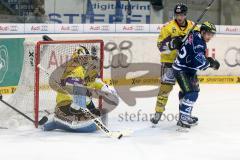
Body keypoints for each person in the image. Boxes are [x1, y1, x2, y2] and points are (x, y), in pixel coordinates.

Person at [41, 46, 118, 132]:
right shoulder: (74, 68)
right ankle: (58, 121)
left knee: (101, 111)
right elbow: (72, 80)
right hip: (67, 104)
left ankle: (54, 123)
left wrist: (105, 87)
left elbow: (95, 82)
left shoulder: (86, 70)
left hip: (79, 105)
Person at [151, 3, 196, 124]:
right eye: (177, 14)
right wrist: (171, 44)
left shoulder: (193, 26)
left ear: (185, 14)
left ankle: (184, 115)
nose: (179, 17)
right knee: (165, 88)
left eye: (181, 14)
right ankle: (158, 112)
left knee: (187, 90)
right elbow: (160, 46)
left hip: (185, 63)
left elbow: (197, 43)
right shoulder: (168, 27)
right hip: (169, 62)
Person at [172, 21, 220, 129]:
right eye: (208, 34)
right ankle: (183, 119)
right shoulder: (199, 42)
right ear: (202, 32)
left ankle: (184, 116)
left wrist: (179, 40)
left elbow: (189, 47)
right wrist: (211, 63)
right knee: (192, 93)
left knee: (189, 92)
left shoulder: (193, 33)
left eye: (212, 35)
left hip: (187, 69)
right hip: (182, 70)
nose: (210, 37)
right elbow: (199, 62)